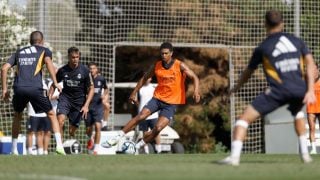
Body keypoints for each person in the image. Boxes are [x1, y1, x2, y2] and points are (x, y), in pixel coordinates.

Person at [219, 10, 316, 166]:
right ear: (282, 23)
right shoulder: (296, 41)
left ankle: (234, 157)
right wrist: (310, 89)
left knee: (243, 120)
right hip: (300, 89)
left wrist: (235, 88)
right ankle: (305, 154)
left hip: (278, 90)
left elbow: (247, 73)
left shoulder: (263, 47)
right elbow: (311, 64)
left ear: (265, 24)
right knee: (297, 114)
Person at [102, 42, 200, 152]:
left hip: (171, 103)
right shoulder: (157, 66)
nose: (163, 56)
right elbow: (144, 78)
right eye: (162, 53)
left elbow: (195, 77)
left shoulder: (179, 65)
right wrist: (134, 93)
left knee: (157, 128)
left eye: (166, 53)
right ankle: (117, 137)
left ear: (171, 53)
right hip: (157, 99)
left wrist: (196, 91)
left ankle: (137, 146)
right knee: (141, 116)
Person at [1, 30, 65, 155]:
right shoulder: (44, 51)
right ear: (42, 41)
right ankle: (59, 146)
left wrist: (4, 89)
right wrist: (55, 82)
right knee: (51, 114)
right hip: (35, 88)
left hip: (19, 88)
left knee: (17, 116)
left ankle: (14, 150)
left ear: (30, 41)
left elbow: (4, 68)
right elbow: (48, 63)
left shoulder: (19, 52)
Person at [49, 47, 94, 141]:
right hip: (65, 99)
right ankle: (59, 147)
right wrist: (48, 98)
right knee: (60, 121)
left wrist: (86, 105)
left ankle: (71, 131)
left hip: (79, 102)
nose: (75, 59)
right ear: (69, 57)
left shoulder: (85, 71)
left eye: (77, 57)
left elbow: (91, 89)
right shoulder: (62, 70)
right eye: (73, 57)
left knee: (71, 131)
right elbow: (54, 84)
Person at [85, 62, 109, 154]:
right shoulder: (85, 79)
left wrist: (104, 96)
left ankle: (96, 149)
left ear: (97, 69)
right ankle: (90, 138)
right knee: (88, 130)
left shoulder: (101, 79)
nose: (92, 70)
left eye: (93, 68)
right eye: (90, 68)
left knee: (98, 127)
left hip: (98, 106)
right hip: (88, 107)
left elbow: (106, 89)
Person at [137, 78, 161, 154]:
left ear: (150, 79)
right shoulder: (140, 89)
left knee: (156, 132)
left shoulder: (153, 88)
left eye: (148, 78)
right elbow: (137, 101)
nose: (146, 79)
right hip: (143, 115)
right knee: (145, 133)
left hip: (153, 114)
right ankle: (146, 151)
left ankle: (159, 150)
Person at [306, 65, 320, 154]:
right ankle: (313, 149)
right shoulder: (308, 82)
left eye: (315, 70)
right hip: (311, 108)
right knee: (312, 128)